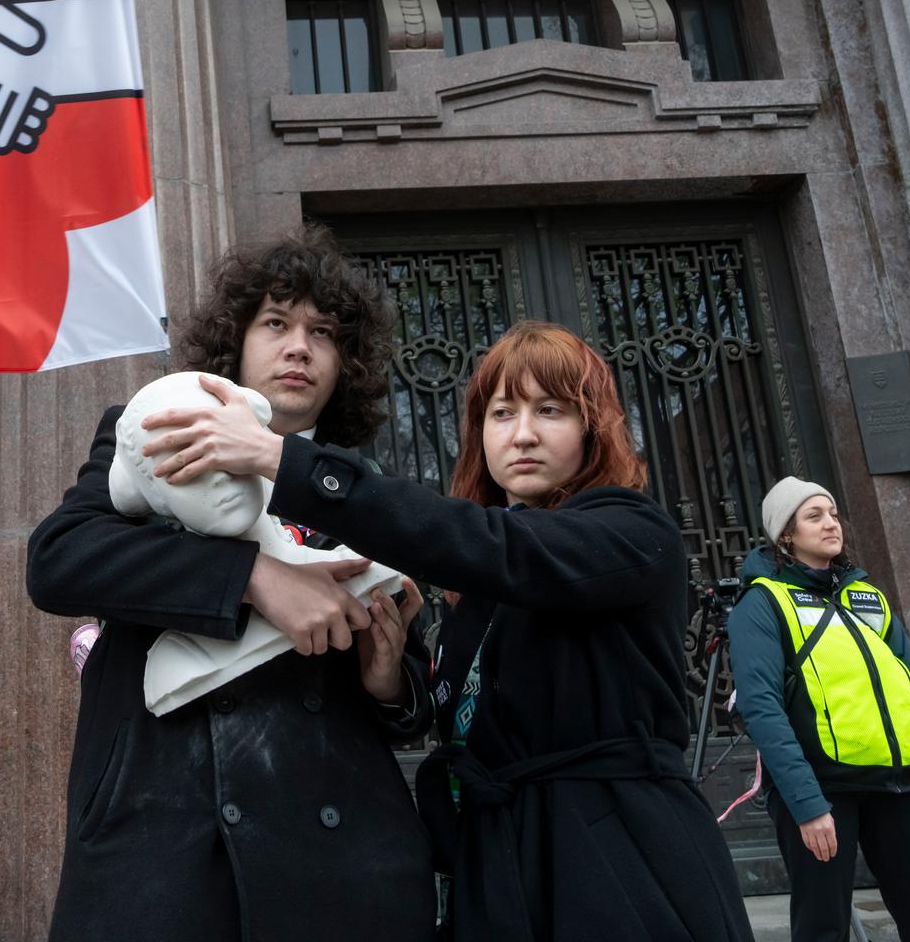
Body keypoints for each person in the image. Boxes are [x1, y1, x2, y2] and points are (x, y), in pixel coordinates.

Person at [142, 318, 753, 941]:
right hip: (496, 870)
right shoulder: (480, 583)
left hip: (618, 860)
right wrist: (388, 682)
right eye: (501, 413)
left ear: (593, 426)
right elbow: (467, 714)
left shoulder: (631, 531)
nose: (522, 435)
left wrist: (280, 457)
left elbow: (497, 547)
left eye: (550, 410)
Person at [26, 225, 436, 942]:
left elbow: (415, 696)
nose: (300, 347)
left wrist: (387, 680)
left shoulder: (361, 491)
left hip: (338, 871)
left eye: (325, 333)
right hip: (163, 849)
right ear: (237, 342)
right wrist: (251, 578)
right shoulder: (151, 432)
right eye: (276, 323)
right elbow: (60, 560)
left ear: (347, 362)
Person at [726, 478, 910, 942]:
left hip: (899, 787)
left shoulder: (866, 596)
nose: (831, 523)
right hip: (823, 793)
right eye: (814, 516)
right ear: (785, 535)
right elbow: (762, 709)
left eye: (832, 513)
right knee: (823, 928)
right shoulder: (763, 603)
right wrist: (807, 805)